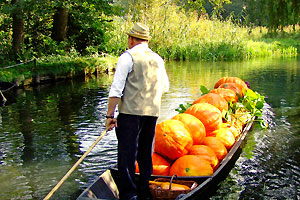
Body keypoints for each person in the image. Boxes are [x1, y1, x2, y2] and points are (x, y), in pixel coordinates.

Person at [105, 22, 169, 200]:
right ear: (146, 41)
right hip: (152, 113)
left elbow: (116, 90)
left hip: (130, 114)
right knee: (145, 153)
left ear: (132, 39)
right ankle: (144, 191)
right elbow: (165, 87)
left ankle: (129, 194)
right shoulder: (158, 59)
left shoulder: (127, 57)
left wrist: (110, 116)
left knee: (127, 155)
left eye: (129, 38)